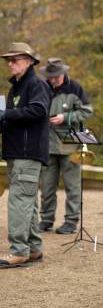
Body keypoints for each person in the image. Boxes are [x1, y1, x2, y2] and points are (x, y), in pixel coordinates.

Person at [0, 43, 50, 268]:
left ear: (29, 61)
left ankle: (18, 250)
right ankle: (33, 249)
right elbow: (13, 119)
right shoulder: (16, 88)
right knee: (27, 202)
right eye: (8, 60)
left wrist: (5, 114)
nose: (11, 63)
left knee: (19, 202)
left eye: (16, 59)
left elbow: (39, 110)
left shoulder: (36, 84)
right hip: (17, 153)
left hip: (27, 154)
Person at [37, 58, 93, 234]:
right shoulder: (43, 88)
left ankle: (71, 221)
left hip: (70, 146)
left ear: (62, 73)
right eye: (50, 76)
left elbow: (87, 111)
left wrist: (65, 117)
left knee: (73, 187)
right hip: (47, 145)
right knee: (46, 187)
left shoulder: (75, 88)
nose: (52, 79)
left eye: (55, 76)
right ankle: (46, 220)